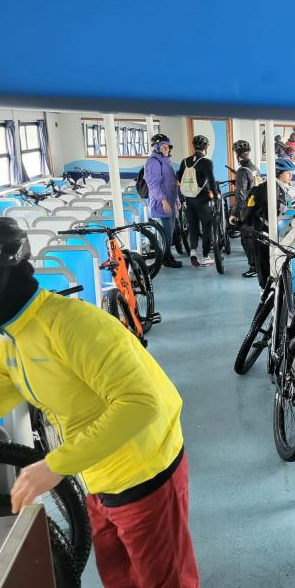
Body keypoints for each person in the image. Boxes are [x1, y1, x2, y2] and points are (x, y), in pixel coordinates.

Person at [0, 218, 199, 587]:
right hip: (98, 472)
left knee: (164, 581)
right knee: (120, 578)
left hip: (145, 473)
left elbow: (141, 403)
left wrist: (55, 466)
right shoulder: (13, 340)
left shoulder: (70, 324)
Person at [239, 157, 295, 279]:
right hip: (262, 230)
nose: (291, 176)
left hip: (268, 229)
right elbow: (263, 200)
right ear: (279, 173)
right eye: (288, 173)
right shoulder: (269, 186)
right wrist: (282, 207)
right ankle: (266, 287)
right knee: (264, 262)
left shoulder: (278, 186)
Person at [177, 134, 217, 267]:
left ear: (193, 146)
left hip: (189, 199)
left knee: (193, 226)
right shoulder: (206, 162)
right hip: (202, 199)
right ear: (206, 148)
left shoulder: (184, 161)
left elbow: (180, 179)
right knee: (206, 226)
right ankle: (205, 256)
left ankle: (193, 252)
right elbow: (211, 181)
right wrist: (215, 196)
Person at [144, 133, 182, 268]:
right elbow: (153, 185)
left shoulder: (166, 160)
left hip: (170, 200)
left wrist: (177, 199)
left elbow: (172, 182)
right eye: (163, 146)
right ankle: (166, 259)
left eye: (168, 146)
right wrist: (163, 201)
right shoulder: (153, 162)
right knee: (165, 234)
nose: (167, 149)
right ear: (156, 147)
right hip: (161, 203)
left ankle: (168, 256)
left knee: (169, 232)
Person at [229, 139, 258, 238]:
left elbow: (241, 195)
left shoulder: (242, 171)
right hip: (257, 207)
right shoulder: (255, 168)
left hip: (248, 209)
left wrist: (234, 214)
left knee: (246, 239)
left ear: (237, 155)